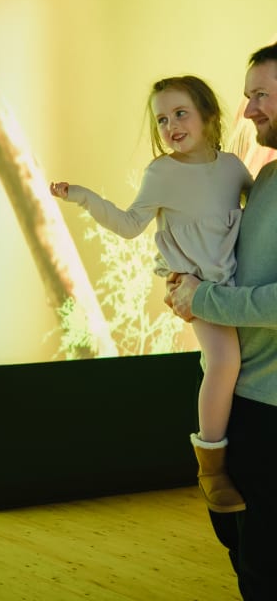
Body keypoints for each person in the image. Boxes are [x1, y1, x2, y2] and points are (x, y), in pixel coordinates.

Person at [49, 75, 253, 515]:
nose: (171, 125)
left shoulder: (234, 167)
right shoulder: (162, 173)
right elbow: (128, 224)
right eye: (162, 119)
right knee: (223, 362)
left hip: (236, 284)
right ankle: (211, 468)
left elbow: (257, 216)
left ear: (208, 116)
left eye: (180, 113)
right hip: (197, 287)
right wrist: (83, 196)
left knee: (239, 366)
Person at [166, 45, 277, 601]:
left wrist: (202, 298)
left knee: (264, 568)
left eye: (261, 94)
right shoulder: (266, 177)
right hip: (245, 404)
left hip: (273, 410)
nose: (249, 108)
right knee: (240, 548)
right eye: (248, 93)